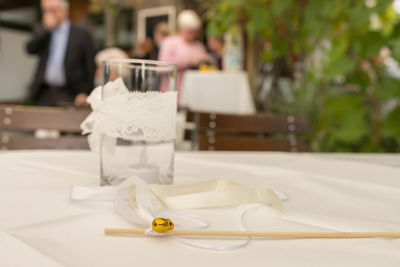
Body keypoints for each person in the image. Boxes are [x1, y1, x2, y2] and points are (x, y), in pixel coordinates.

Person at [26, 0, 96, 106]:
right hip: (46, 93)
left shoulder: (81, 34)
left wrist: (86, 93)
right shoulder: (43, 31)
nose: (48, 15)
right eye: (45, 11)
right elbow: (30, 49)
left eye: (52, 10)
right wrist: (45, 29)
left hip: (72, 93)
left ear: (65, 10)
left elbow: (90, 66)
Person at [158, 10, 211, 94]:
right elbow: (161, 66)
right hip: (173, 92)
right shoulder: (169, 42)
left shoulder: (199, 46)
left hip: (195, 93)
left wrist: (206, 60)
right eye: (189, 31)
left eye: (194, 32)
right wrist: (188, 61)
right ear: (180, 28)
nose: (192, 35)